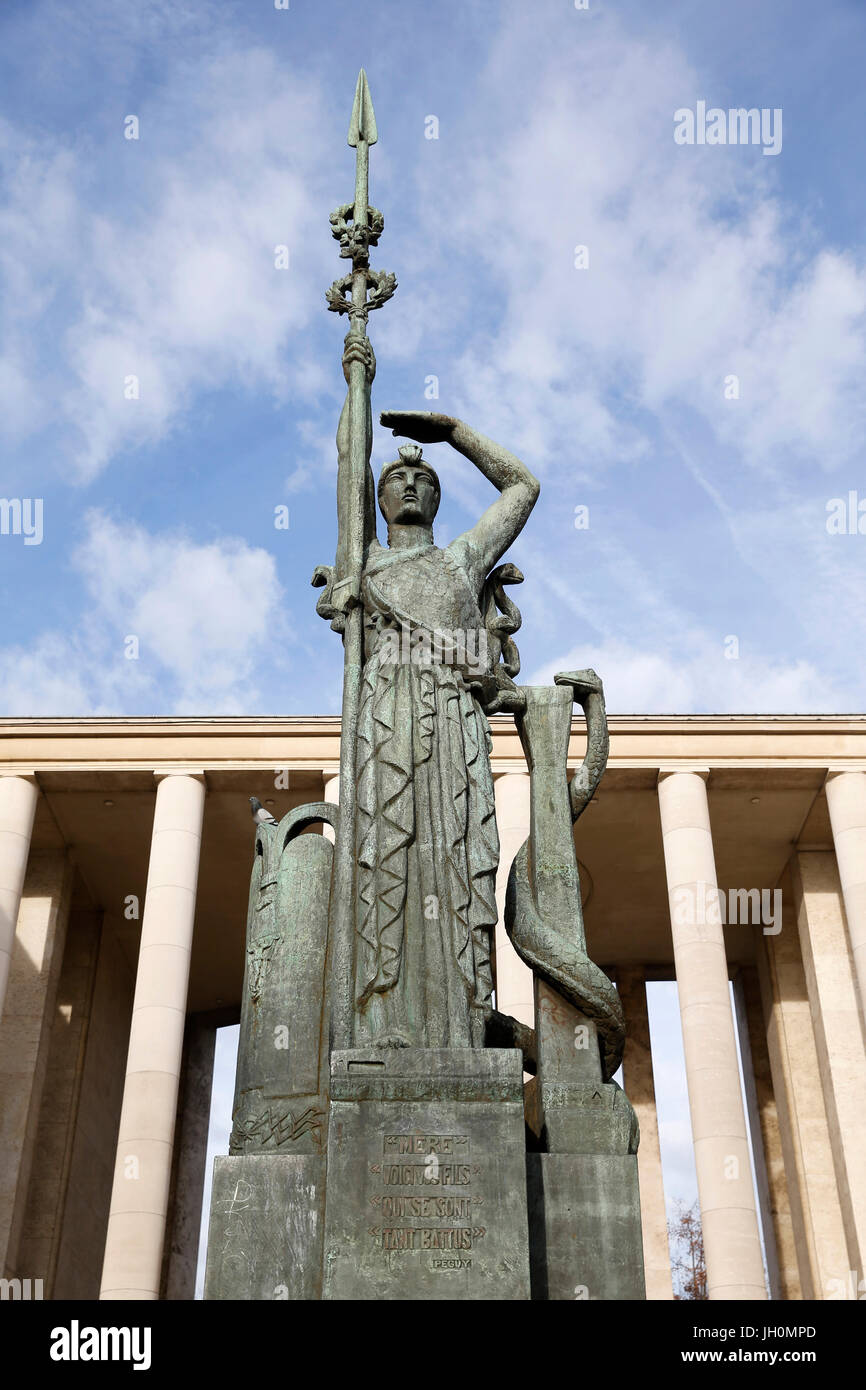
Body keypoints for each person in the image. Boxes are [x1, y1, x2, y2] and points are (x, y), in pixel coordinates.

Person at [335, 331, 539, 1047]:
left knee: (453, 865)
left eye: (424, 479)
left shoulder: (461, 562)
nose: (410, 482)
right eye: (395, 481)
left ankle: (460, 1026)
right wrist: (358, 377)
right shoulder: (361, 562)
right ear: (380, 501)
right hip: (385, 720)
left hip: (453, 724)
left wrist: (455, 434)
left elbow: (523, 487)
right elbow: (348, 459)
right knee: (386, 857)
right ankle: (382, 1025)